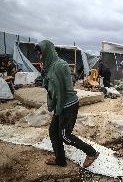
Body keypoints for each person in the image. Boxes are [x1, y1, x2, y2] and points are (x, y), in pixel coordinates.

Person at [35, 40, 99, 168]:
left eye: (41, 54)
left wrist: (58, 107)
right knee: (53, 131)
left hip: (68, 105)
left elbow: (59, 89)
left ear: (47, 52)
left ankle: (91, 153)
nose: (40, 57)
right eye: (38, 54)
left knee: (64, 135)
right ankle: (60, 160)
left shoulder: (60, 65)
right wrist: (44, 72)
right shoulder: (50, 66)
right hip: (60, 104)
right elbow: (49, 86)